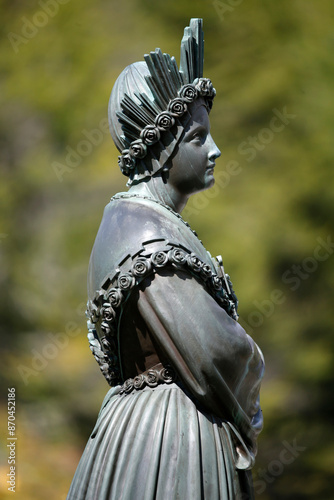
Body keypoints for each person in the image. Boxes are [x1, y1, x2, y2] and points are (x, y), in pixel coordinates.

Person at [67, 19, 264, 500]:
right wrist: (252, 371)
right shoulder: (146, 234)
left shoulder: (136, 222)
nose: (215, 150)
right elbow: (218, 351)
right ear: (163, 149)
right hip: (169, 440)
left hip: (145, 430)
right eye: (198, 138)